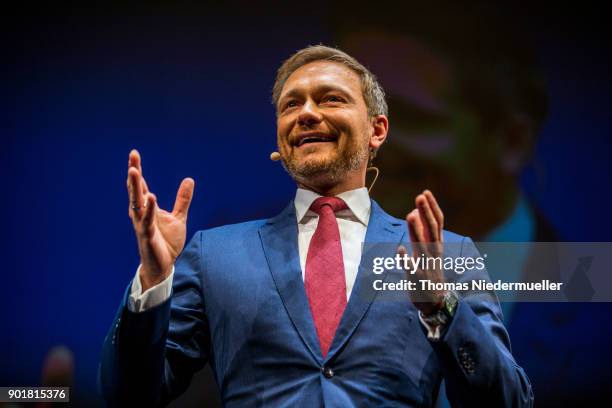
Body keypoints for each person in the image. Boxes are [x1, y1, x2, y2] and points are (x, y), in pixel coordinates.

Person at [99, 45, 533, 407]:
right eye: (292, 104)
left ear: (377, 130)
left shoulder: (449, 256)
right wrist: (154, 282)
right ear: (279, 138)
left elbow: (508, 400)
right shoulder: (215, 254)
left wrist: (442, 306)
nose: (306, 113)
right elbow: (128, 396)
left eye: (330, 99)